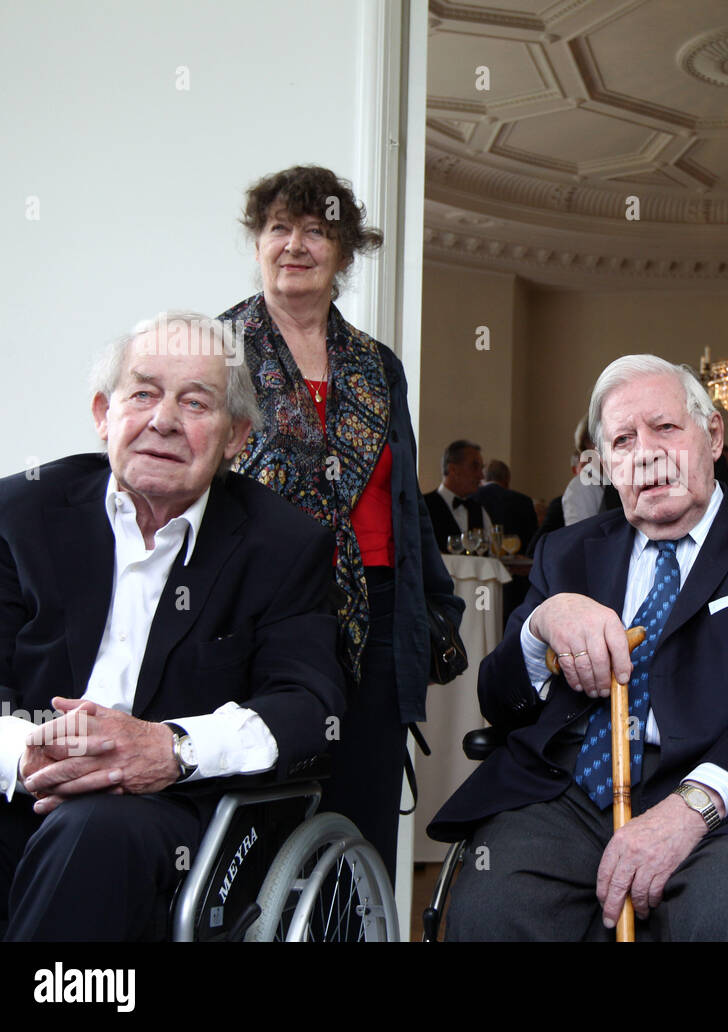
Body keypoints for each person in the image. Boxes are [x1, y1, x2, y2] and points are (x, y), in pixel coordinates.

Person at [428, 355, 728, 940]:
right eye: (624, 440)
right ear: (605, 466)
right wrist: (540, 627)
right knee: (490, 910)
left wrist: (694, 804)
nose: (647, 453)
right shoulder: (566, 552)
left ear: (713, 435)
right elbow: (498, 698)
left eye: (666, 428)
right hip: (568, 789)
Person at [0, 313, 346, 940]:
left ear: (236, 436)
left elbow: (309, 707)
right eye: (143, 393)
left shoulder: (285, 546)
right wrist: (27, 753)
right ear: (104, 413)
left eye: (195, 402)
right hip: (22, 793)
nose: (164, 420)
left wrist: (170, 747)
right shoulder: (17, 514)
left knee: (92, 832)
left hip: (175, 816)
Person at [221, 165, 461, 882]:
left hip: (379, 616)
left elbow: (406, 499)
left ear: (345, 253)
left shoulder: (377, 366)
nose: (295, 245)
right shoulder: (218, 348)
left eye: (316, 231)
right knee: (263, 812)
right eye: (279, 229)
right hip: (262, 615)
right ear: (258, 242)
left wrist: (433, 607)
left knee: (361, 811)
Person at [425, 439, 495, 550]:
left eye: (481, 468)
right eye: (475, 467)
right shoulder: (423, 507)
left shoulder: (479, 511)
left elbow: (491, 552)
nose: (481, 476)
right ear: (453, 469)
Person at [472, 459, 538, 545]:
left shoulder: (471, 498)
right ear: (507, 479)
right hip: (516, 556)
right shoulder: (523, 500)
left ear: (482, 478)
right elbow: (532, 539)